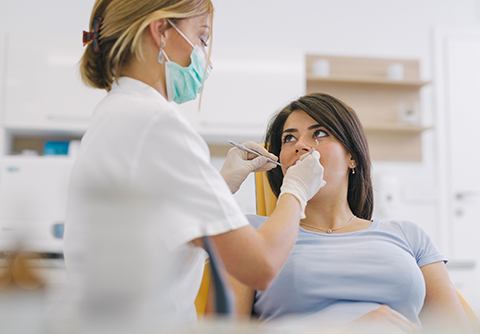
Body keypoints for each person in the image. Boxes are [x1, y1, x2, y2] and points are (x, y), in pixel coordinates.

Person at [62, 0, 326, 326]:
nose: (207, 58)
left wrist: (222, 183)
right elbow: (261, 265)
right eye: (202, 38)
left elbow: (164, 225)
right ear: (160, 31)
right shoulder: (156, 123)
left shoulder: (117, 112)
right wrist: (297, 189)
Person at [228, 93, 472, 333]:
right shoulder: (249, 232)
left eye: (319, 134)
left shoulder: (408, 236)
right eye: (289, 138)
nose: (300, 145)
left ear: (352, 157)